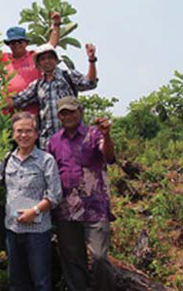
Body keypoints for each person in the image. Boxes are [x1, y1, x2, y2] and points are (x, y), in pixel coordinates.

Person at [0, 112, 62, 291]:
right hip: (13, 230)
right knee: (16, 281)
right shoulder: (8, 159)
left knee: (41, 280)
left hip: (38, 232)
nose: (23, 135)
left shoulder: (46, 160)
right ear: (13, 133)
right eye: (19, 131)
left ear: (36, 133)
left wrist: (35, 211)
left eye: (28, 131)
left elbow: (55, 195)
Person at [47, 96, 116, 291]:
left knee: (99, 257)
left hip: (95, 207)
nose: (68, 116)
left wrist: (107, 135)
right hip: (66, 209)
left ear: (81, 111)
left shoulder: (94, 134)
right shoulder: (54, 141)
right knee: (72, 261)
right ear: (59, 116)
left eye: (72, 111)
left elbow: (109, 157)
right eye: (64, 113)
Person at [6, 42, 98, 149]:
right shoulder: (38, 85)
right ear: (39, 63)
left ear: (56, 60)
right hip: (48, 141)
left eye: (50, 57)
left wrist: (92, 60)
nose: (47, 61)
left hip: (71, 137)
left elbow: (89, 83)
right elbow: (18, 99)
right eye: (43, 59)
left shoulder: (68, 75)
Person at [2, 12, 61, 115]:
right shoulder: (4, 58)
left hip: (33, 111)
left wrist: (56, 25)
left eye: (19, 41)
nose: (16, 45)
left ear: (26, 43)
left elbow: (51, 45)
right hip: (9, 113)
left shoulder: (34, 56)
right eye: (12, 42)